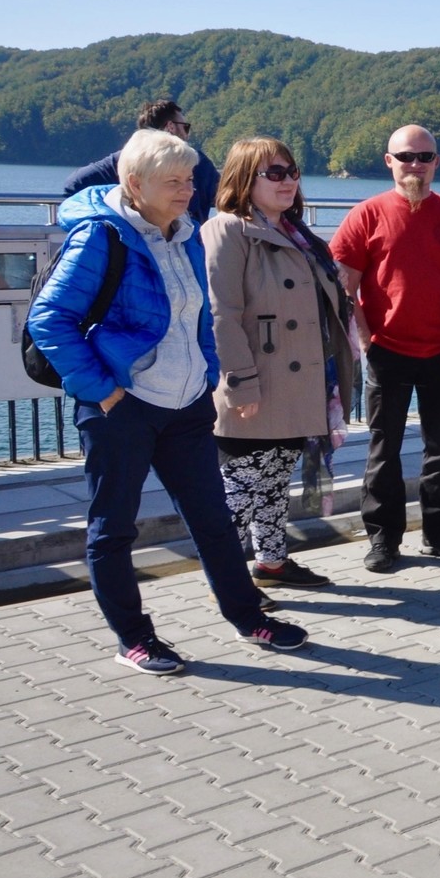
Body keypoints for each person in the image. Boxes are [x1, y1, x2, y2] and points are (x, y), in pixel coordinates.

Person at [27, 129, 308, 673]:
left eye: (189, 179)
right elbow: (50, 320)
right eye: (173, 181)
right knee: (114, 528)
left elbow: (201, 313)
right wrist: (102, 391)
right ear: (135, 184)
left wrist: (206, 370)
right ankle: (134, 639)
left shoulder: (186, 233)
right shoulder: (101, 236)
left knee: (213, 520)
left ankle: (249, 617)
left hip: (186, 403)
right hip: (121, 407)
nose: (187, 190)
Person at [331, 125, 440, 573]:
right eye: (406, 156)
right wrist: (365, 340)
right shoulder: (366, 215)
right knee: (383, 451)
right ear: (389, 161)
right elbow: (344, 288)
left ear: (436, 163)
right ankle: (383, 540)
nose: (415, 165)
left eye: (425, 157)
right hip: (386, 352)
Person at [203, 136, 356, 593]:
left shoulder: (295, 233)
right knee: (240, 492)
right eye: (274, 173)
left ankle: (271, 562)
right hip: (257, 383)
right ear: (244, 178)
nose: (287, 181)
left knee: (273, 482)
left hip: (298, 382)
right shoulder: (227, 230)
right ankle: (227, 585)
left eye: (292, 172)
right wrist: (240, 383)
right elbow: (220, 315)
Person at [64, 99, 220, 224]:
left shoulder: (124, 160)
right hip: (183, 241)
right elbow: (224, 196)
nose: (186, 190)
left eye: (189, 180)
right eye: (185, 127)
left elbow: (74, 184)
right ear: (170, 127)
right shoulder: (197, 162)